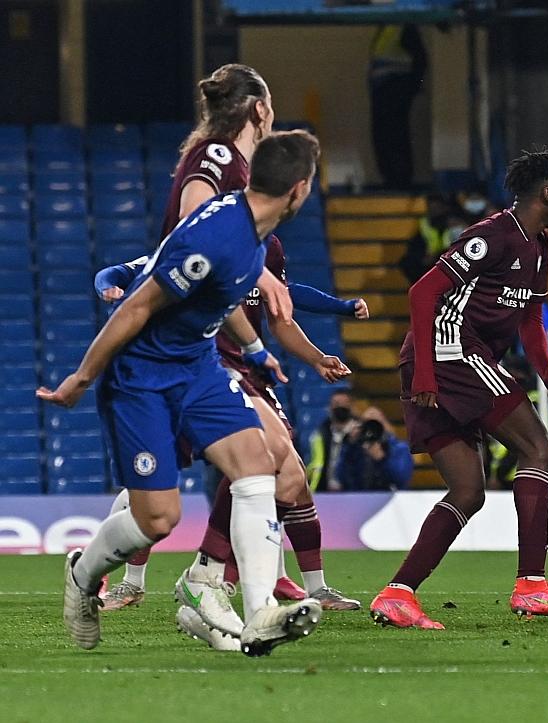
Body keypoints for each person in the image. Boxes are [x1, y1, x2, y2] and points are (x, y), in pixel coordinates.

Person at [92, 66, 361, 650]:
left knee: (274, 466)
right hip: (198, 342)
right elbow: (193, 231)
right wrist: (257, 277)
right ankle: (172, 579)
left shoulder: (249, 177)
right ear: (258, 109)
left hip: (220, 341)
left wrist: (293, 330)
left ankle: (212, 584)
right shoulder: (215, 159)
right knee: (262, 464)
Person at [41, 130, 329, 656]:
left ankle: (261, 610)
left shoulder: (253, 233)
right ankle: (83, 575)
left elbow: (225, 296)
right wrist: (81, 380)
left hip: (198, 366)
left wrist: (256, 348)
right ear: (301, 189)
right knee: (159, 520)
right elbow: (135, 307)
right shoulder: (219, 234)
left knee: (257, 463)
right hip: (142, 379)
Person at [370, 147, 548, 629]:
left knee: (468, 490)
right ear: (547, 193)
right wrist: (426, 373)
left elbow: (530, 317)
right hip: (449, 353)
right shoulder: (492, 236)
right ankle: (532, 585)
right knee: (538, 449)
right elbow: (422, 292)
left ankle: (397, 594)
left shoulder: (539, 247)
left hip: (450, 360)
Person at [368, 24, 427, 189]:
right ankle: (391, 179)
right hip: (383, 89)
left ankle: (399, 180)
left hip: (395, 88)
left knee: (394, 135)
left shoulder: (402, 27)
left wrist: (411, 87)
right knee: (383, 135)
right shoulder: (389, 26)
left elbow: (420, 59)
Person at [399, 193, 463, 283]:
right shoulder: (425, 223)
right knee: (408, 262)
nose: (435, 211)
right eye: (432, 208)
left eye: (437, 208)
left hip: (450, 260)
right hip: (430, 260)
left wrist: (437, 255)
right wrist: (422, 257)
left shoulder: (454, 223)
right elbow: (416, 244)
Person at [335, 418, 414, 491]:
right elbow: (340, 476)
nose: (372, 431)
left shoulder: (399, 448)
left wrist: (382, 459)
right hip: (359, 499)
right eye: (369, 426)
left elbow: (402, 479)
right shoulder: (356, 448)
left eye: (376, 426)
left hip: (392, 500)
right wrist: (349, 445)